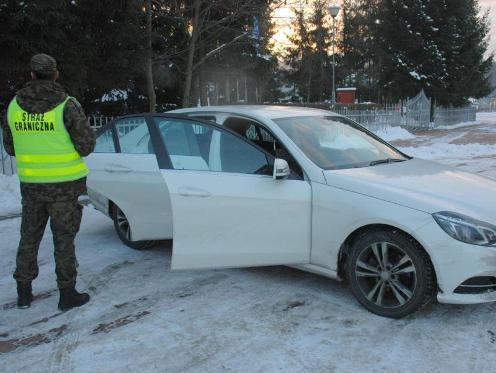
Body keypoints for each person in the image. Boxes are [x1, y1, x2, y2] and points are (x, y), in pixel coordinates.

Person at [1, 54, 96, 310]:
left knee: (28, 238)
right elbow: (86, 146)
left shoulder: (13, 106)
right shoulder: (67, 105)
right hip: (65, 189)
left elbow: (10, 148)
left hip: (32, 187)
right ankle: (67, 294)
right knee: (63, 241)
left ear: (31, 75)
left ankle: (23, 293)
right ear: (55, 74)